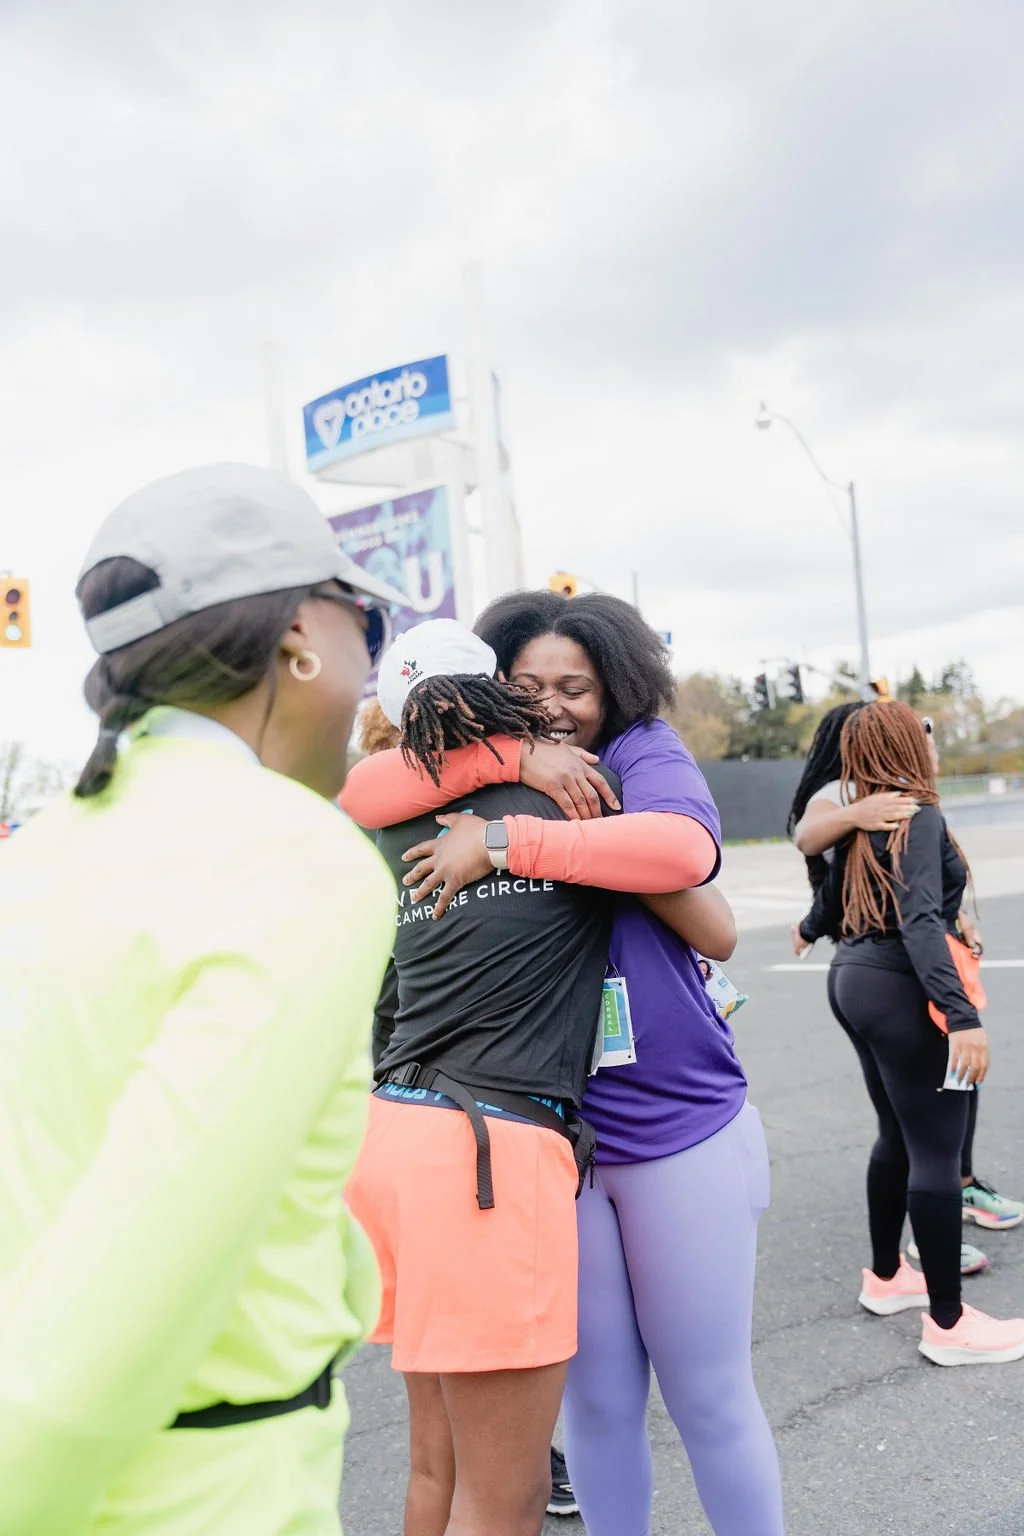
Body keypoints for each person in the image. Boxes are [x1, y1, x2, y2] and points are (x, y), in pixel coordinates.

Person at [0, 463, 403, 1536]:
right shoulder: (295, 859)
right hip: (190, 1496)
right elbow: (115, 1309)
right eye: (359, 614)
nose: (371, 663)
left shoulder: (38, 852)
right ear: (297, 642)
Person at [342, 591, 783, 1536]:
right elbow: (364, 791)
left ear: (615, 686)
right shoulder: (466, 781)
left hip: (668, 1123)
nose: (552, 704)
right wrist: (515, 766)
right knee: (595, 1407)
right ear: (493, 689)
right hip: (542, 1141)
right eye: (528, 685)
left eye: (575, 688)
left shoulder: (631, 760)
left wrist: (516, 840)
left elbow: (701, 893)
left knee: (707, 1395)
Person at [794, 701, 1024, 1366]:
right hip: (899, 986)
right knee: (935, 1151)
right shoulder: (915, 815)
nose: (932, 741)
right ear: (902, 746)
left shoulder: (874, 813)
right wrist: (963, 1018)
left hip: (854, 977)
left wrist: (810, 929)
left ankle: (888, 1278)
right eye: (923, 733)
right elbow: (921, 921)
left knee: (897, 1134)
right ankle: (949, 1327)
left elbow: (838, 890)